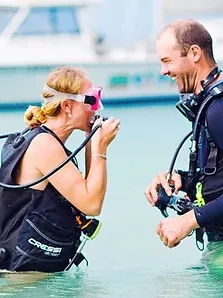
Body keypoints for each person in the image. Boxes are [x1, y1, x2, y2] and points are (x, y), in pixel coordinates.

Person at [0, 66, 120, 272]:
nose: (97, 107)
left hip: (27, 272)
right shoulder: (44, 145)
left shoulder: (38, 138)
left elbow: (83, 198)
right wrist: (101, 148)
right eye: (91, 100)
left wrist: (91, 143)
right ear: (67, 105)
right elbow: (92, 205)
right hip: (21, 277)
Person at [144, 19, 223, 250]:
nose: (164, 71)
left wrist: (188, 221)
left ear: (195, 53)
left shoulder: (218, 109)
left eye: (167, 61)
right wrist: (183, 179)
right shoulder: (208, 105)